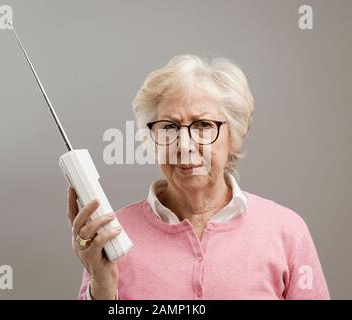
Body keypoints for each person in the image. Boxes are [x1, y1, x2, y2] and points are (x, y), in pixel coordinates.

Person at [67, 55, 330, 299]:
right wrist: (101, 287)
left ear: (233, 138)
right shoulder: (113, 236)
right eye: (169, 127)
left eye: (203, 125)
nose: (184, 145)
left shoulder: (287, 232)